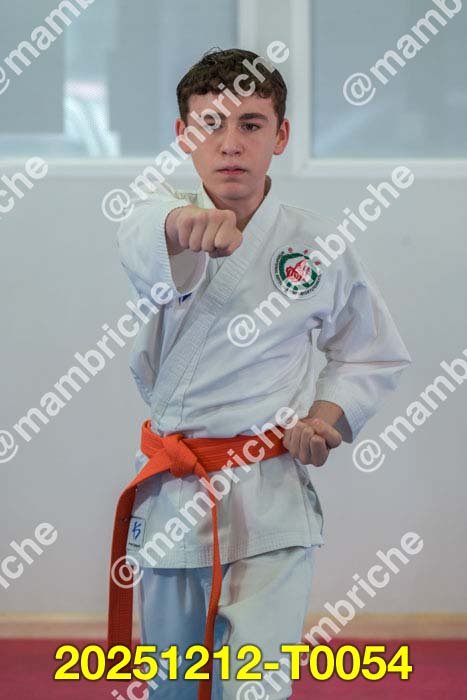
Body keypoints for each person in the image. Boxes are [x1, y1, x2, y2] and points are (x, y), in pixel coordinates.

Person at [109, 48, 412, 700]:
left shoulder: (318, 244)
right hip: (175, 495)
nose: (229, 143)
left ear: (280, 135)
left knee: (253, 686)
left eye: (250, 124)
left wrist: (324, 419)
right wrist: (181, 225)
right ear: (183, 135)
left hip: (269, 497)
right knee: (171, 687)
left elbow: (370, 351)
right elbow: (144, 234)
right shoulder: (155, 216)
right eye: (209, 123)